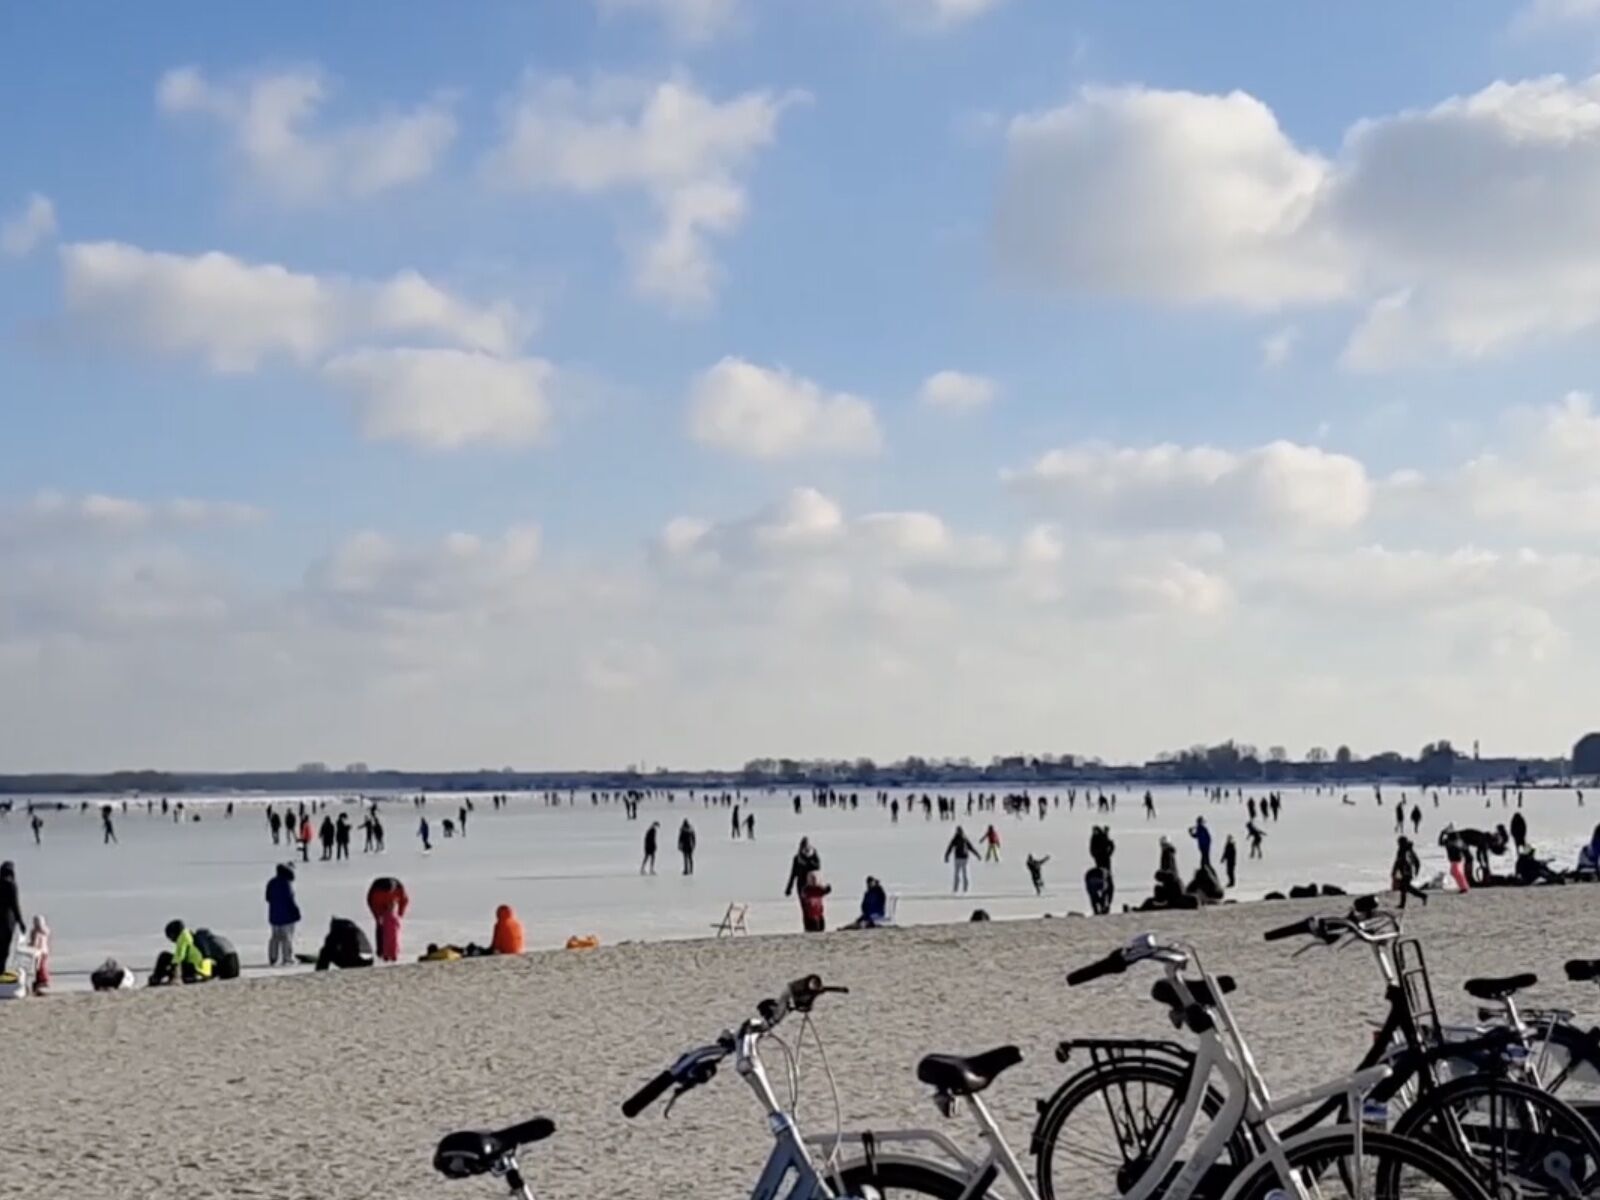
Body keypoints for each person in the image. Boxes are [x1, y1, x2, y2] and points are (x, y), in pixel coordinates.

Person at [149, 919, 213, 986]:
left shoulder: (183, 937)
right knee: (173, 962)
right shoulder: (189, 935)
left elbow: (180, 955)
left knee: (164, 956)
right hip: (204, 971)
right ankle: (160, 976)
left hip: (195, 969)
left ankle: (156, 978)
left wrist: (171, 967)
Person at [266, 863, 302, 967]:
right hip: (287, 916)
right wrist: (296, 912)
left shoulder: (271, 883)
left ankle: (273, 958)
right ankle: (287, 958)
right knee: (287, 938)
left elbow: (267, 898)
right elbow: (290, 900)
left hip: (274, 916)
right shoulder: (286, 883)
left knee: (275, 937)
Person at [367, 877, 410, 962]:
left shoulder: (398, 887)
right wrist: (377, 917)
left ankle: (393, 951)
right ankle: (381, 951)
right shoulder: (376, 892)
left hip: (391, 906)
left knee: (393, 927)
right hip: (379, 905)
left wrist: (400, 913)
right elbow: (372, 904)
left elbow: (404, 900)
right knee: (380, 927)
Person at [785, 838, 821, 912]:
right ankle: (808, 922)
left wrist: (808, 863)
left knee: (815, 906)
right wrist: (789, 888)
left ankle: (816, 922)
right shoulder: (797, 858)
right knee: (805, 907)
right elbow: (793, 874)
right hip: (802, 885)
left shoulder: (813, 855)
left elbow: (818, 867)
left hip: (813, 884)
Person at [0, 862, 23, 976]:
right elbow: (15, 905)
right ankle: (1, 971)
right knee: (4, 949)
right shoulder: (11, 885)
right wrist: (21, 922)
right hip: (7, 922)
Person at [1392, 836, 1426, 908]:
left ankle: (1403, 904)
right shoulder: (1405, 850)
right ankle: (1422, 896)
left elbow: (1400, 862)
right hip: (1405, 872)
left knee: (1404, 888)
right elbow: (1416, 862)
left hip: (1407, 872)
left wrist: (1394, 870)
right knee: (1406, 888)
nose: (1398, 844)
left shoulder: (1406, 851)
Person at [945, 826, 978, 893]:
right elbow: (971, 848)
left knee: (958, 874)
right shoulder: (964, 838)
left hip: (959, 858)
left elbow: (950, 847)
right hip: (963, 858)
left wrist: (947, 856)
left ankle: (957, 889)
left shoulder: (956, 839)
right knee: (963, 873)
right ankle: (963, 889)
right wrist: (977, 855)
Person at [21, 915, 49, 993]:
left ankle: (41, 980)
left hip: (38, 952)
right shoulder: (45, 931)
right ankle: (43, 980)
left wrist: (28, 945)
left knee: (39, 967)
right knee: (41, 966)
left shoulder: (36, 931)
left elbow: (35, 943)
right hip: (44, 952)